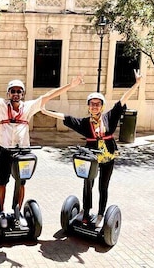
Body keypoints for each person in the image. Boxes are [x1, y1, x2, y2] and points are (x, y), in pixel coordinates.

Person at [0, 65, 83, 228]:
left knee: (21, 183)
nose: (16, 94)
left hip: (23, 152)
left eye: (19, 91)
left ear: (23, 94)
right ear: (8, 94)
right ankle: (1, 211)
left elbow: (48, 95)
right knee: (2, 182)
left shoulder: (28, 107)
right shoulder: (1, 105)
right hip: (5, 150)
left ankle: (18, 212)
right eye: (13, 91)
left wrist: (70, 86)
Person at [41, 69, 142, 227]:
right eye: (92, 104)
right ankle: (85, 210)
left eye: (98, 104)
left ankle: (101, 214)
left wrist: (136, 84)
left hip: (108, 157)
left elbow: (123, 99)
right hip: (91, 158)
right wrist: (45, 111)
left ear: (102, 106)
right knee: (88, 183)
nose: (95, 106)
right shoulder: (84, 123)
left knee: (103, 186)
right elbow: (66, 118)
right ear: (88, 106)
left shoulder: (110, 117)